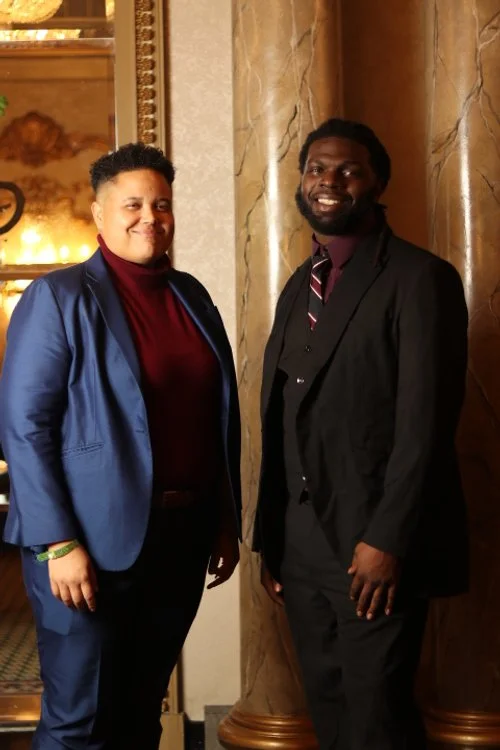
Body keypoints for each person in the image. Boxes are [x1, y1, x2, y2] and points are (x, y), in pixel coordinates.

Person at [0, 142, 241, 750]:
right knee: (79, 722)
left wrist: (222, 520)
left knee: (140, 711)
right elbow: (24, 427)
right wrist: (56, 541)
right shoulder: (58, 297)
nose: (149, 218)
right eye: (133, 204)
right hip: (87, 546)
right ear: (99, 213)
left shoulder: (192, 296)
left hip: (180, 538)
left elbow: (214, 416)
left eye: (161, 204)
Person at [254, 118, 468, 750]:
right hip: (298, 544)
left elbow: (426, 424)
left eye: (348, 169)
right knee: (328, 711)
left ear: (376, 183)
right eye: (316, 168)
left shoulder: (420, 278)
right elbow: (285, 410)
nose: (328, 180)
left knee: (378, 720)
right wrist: (274, 539)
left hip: (372, 544)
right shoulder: (300, 283)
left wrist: (387, 539)